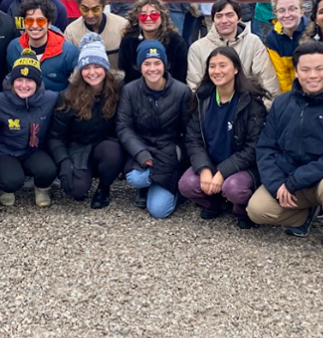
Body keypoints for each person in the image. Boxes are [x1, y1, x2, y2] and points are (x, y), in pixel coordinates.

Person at [246, 41, 323, 258]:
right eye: (305, 70)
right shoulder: (282, 103)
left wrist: (295, 180)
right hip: (291, 179)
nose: (313, 75)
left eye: (319, 69)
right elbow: (266, 146)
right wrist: (277, 184)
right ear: (297, 72)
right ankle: (305, 215)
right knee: (257, 210)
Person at [179, 46, 268, 228]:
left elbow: (253, 147)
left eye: (222, 65)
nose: (217, 71)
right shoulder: (202, 98)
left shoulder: (251, 101)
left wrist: (222, 173)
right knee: (187, 185)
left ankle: (240, 210)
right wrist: (204, 169)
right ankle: (214, 204)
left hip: (242, 167)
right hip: (211, 161)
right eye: (212, 66)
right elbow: (193, 139)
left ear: (236, 68)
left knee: (234, 188)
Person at [117, 40, 194, 218]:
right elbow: (124, 127)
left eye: (157, 63)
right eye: (147, 63)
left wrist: (179, 157)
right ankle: (152, 185)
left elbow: (188, 130)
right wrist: (140, 152)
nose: (153, 68)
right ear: (140, 66)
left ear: (165, 64)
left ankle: (176, 187)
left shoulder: (182, 91)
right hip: (144, 149)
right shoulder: (129, 91)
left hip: (170, 151)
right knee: (136, 178)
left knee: (159, 211)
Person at [48, 33, 125, 209]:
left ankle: (104, 188)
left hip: (104, 145)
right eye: (86, 67)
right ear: (80, 70)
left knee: (113, 152)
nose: (92, 73)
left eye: (97, 66)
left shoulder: (117, 91)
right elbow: (55, 136)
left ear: (105, 68)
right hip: (77, 146)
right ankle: (83, 174)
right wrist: (64, 161)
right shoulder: (68, 96)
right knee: (76, 191)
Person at [0, 50, 59, 208]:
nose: (24, 85)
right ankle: (7, 189)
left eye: (30, 80)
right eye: (19, 80)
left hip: (34, 150)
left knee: (48, 170)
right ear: (12, 81)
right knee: (11, 181)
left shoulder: (50, 99)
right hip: (6, 150)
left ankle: (41, 189)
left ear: (38, 83)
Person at [186, 0, 280, 104]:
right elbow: (195, 87)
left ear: (239, 18)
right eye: (219, 16)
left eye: (229, 15)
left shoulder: (253, 43)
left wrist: (263, 112)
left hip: (247, 110)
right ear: (213, 20)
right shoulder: (197, 48)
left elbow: (268, 81)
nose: (224, 20)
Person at [6, 0, 78, 92]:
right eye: (29, 21)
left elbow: (76, 87)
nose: (35, 26)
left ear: (49, 24)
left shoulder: (69, 51)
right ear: (24, 24)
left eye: (40, 21)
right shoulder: (14, 47)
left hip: (57, 105)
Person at [63, 0, 129, 70]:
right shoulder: (71, 32)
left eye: (95, 9)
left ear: (103, 6)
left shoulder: (121, 26)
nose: (90, 15)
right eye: (84, 9)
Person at [118, 0, 189, 84]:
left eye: (154, 15)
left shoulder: (176, 42)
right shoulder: (128, 41)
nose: (148, 18)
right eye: (143, 15)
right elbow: (124, 74)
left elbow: (181, 77)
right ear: (137, 19)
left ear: (162, 18)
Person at [264, 0, 310, 93]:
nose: (287, 15)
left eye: (292, 9)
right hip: (290, 91)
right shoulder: (273, 38)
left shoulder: (312, 31)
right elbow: (281, 74)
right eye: (281, 10)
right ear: (275, 13)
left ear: (302, 11)